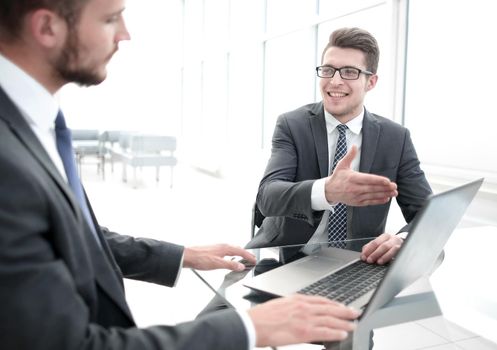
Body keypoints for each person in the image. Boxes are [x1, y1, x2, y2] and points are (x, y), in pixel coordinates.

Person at [0, 1, 360, 349]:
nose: (124, 34)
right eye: (110, 19)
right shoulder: (8, 164)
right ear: (47, 27)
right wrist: (249, 329)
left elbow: (74, 237)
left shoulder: (33, 127)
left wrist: (182, 255)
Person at [246, 27, 432, 263]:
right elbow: (267, 196)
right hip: (290, 259)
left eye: (349, 72)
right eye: (328, 70)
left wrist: (403, 240)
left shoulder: (395, 137)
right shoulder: (292, 124)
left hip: (360, 263)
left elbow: (426, 212)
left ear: (371, 81)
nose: (335, 81)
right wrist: (327, 191)